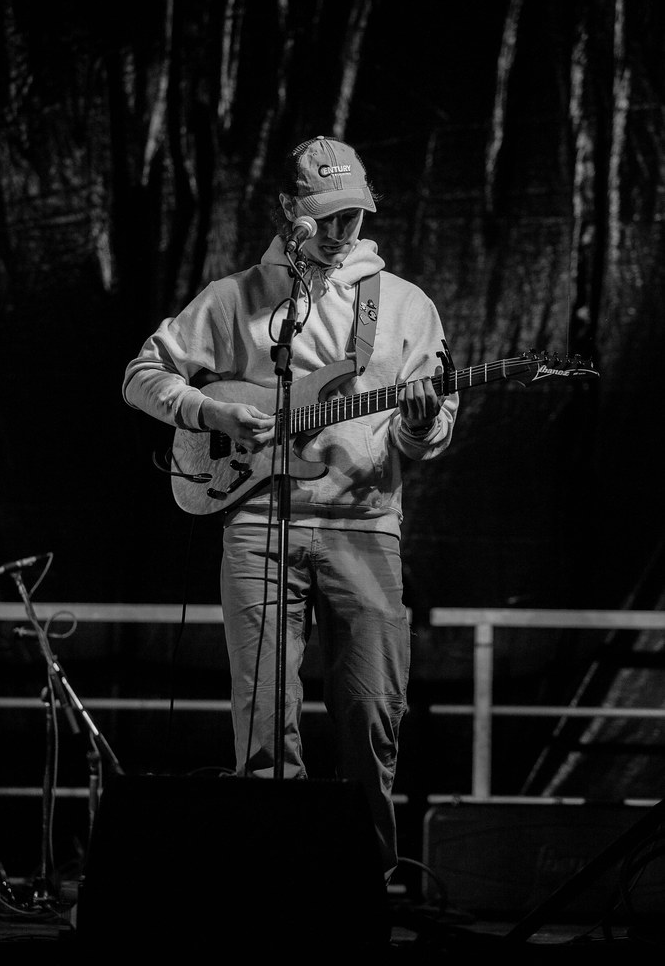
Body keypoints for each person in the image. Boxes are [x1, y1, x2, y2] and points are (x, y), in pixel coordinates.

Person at [121, 134, 459, 883]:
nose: (342, 234)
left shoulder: (405, 305)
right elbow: (142, 373)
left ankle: (364, 885)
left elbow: (430, 436)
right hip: (256, 522)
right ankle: (272, 885)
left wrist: (416, 420)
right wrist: (209, 412)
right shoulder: (236, 296)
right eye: (327, 216)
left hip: (364, 528)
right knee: (264, 719)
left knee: (373, 712)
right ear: (287, 208)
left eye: (355, 217)